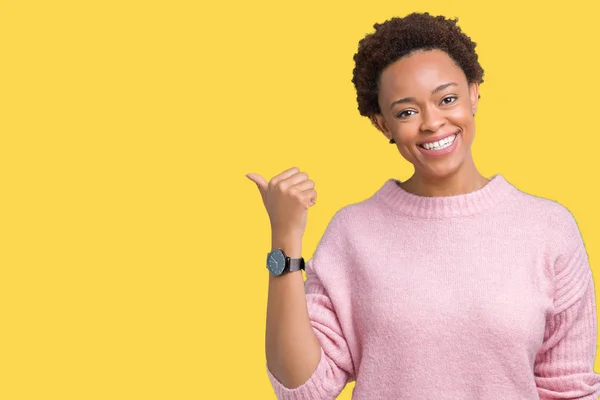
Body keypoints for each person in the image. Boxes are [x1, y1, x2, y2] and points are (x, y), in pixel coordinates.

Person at [246, 12, 600, 399]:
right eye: (407, 112)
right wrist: (284, 239)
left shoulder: (548, 228)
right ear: (383, 125)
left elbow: (569, 390)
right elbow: (303, 388)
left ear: (474, 94)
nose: (432, 122)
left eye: (447, 99)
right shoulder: (352, 232)